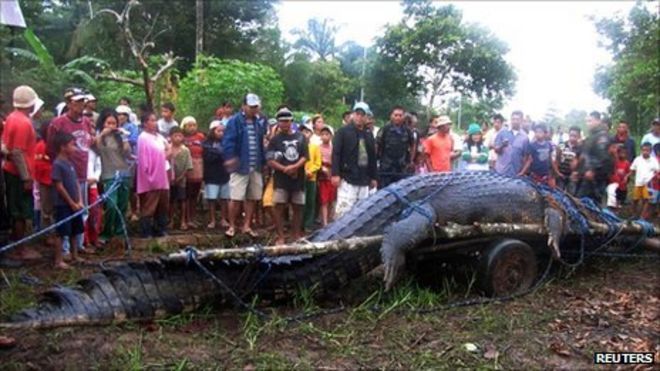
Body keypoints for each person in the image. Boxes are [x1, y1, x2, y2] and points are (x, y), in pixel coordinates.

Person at [47, 87, 94, 255]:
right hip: (63, 171)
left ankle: (79, 246)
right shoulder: (58, 123)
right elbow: (51, 147)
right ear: (69, 103)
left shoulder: (86, 122)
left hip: (81, 170)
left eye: (83, 101)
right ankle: (65, 250)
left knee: (82, 210)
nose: (81, 105)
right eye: (77, 102)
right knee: (65, 211)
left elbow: (90, 142)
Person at [222, 93, 267, 238]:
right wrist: (230, 158)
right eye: (251, 107)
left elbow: (261, 144)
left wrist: (264, 163)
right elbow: (228, 142)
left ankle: (246, 225)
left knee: (252, 197)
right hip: (240, 166)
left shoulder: (258, 123)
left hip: (255, 165)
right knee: (236, 197)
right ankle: (232, 226)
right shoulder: (234, 121)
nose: (254, 109)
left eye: (256, 107)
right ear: (244, 106)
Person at [2, 86, 38, 242]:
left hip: (11, 170)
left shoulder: (11, 117)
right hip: (18, 173)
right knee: (20, 211)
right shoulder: (23, 122)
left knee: (16, 208)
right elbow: (17, 152)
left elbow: (6, 145)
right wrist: (26, 177)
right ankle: (20, 247)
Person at [266, 108, 308, 244]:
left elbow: (305, 156)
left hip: (298, 178)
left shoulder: (301, 137)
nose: (284, 124)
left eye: (287, 121)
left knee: (298, 206)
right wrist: (285, 169)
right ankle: (281, 236)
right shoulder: (275, 140)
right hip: (281, 179)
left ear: (291, 121)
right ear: (278, 122)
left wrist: (294, 167)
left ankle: (296, 235)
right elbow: (270, 159)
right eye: (282, 121)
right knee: (279, 206)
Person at [332, 102, 378, 218]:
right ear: (353, 114)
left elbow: (372, 157)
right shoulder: (343, 132)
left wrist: (373, 177)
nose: (359, 117)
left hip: (364, 178)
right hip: (347, 177)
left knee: (361, 213)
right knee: (344, 212)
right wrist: (335, 174)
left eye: (362, 115)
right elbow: (336, 153)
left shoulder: (368, 135)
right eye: (357, 114)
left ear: (367, 117)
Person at [95, 109, 132, 243]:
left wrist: (124, 137)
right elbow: (96, 148)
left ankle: (119, 233)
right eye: (108, 123)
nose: (111, 126)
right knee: (111, 204)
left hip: (123, 172)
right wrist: (102, 135)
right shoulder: (99, 136)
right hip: (108, 174)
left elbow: (127, 153)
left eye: (114, 123)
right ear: (103, 123)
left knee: (122, 205)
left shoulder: (119, 136)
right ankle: (107, 232)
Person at [51, 132, 85, 269]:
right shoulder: (57, 164)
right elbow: (59, 186)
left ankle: (74, 255)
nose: (75, 148)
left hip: (75, 204)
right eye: (72, 145)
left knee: (75, 230)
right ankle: (58, 260)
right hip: (63, 204)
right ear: (62, 147)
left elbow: (76, 182)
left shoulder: (70, 163)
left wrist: (80, 200)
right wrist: (71, 202)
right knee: (61, 232)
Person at [137, 112, 171, 237]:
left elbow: (168, 149)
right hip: (151, 175)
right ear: (145, 123)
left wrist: (163, 157)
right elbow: (142, 158)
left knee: (163, 203)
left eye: (155, 120)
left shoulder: (159, 136)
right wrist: (148, 175)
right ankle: (146, 230)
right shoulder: (143, 137)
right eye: (152, 120)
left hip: (162, 174)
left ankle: (160, 228)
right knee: (150, 203)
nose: (155, 123)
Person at [576, 111, 613, 204]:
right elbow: (586, 154)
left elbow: (603, 156)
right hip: (586, 175)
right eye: (587, 121)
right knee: (582, 201)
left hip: (596, 177)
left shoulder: (601, 136)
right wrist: (579, 169)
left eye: (590, 121)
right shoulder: (592, 136)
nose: (588, 124)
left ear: (598, 121)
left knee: (592, 202)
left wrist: (593, 170)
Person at [377, 106, 414, 188]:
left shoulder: (407, 130)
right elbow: (377, 145)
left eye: (400, 115)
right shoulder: (385, 129)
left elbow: (413, 145)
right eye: (395, 115)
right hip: (386, 167)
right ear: (391, 116)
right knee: (384, 192)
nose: (398, 117)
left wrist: (411, 160)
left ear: (403, 116)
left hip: (401, 167)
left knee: (401, 191)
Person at [202, 120, 230, 229]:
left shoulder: (227, 142)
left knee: (224, 198)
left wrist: (219, 153)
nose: (221, 133)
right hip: (211, 174)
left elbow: (228, 155)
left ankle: (223, 219)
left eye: (223, 131)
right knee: (211, 199)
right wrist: (219, 154)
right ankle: (212, 220)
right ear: (213, 131)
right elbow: (208, 157)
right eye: (218, 131)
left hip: (224, 174)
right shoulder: (206, 143)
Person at [181, 116, 205, 228]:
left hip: (198, 168)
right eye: (189, 125)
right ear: (184, 126)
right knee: (186, 195)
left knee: (195, 195)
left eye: (194, 125)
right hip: (186, 169)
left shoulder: (200, 137)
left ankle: (193, 218)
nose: (192, 128)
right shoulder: (181, 138)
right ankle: (185, 219)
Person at [169, 127, 193, 230]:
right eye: (175, 136)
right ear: (171, 137)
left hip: (182, 180)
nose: (178, 138)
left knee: (182, 200)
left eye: (180, 136)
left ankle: (183, 220)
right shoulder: (168, 148)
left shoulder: (185, 150)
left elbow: (189, 166)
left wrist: (181, 177)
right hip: (169, 180)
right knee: (171, 201)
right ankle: (171, 220)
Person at [494, 110, 529, 177]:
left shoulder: (525, 137)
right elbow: (496, 150)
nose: (515, 121)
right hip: (500, 172)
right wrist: (502, 145)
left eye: (517, 119)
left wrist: (522, 172)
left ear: (521, 120)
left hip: (515, 173)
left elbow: (525, 157)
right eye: (513, 119)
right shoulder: (502, 132)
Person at [628, 142, 659, 219]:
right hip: (638, 183)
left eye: (647, 150)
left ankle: (642, 216)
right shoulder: (637, 159)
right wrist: (628, 176)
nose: (645, 152)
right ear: (641, 150)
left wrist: (655, 178)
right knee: (635, 199)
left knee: (646, 200)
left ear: (650, 151)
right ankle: (633, 214)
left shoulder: (653, 160)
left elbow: (657, 170)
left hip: (648, 184)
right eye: (644, 150)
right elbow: (632, 169)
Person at [300, 121, 321, 231]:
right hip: (300, 176)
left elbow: (318, 163)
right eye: (303, 131)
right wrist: (303, 171)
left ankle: (308, 224)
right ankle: (299, 223)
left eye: (307, 132)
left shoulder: (315, 147)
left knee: (310, 201)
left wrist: (310, 171)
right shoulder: (298, 146)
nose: (305, 134)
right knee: (300, 201)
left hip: (311, 177)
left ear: (311, 134)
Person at [318, 125, 336, 226]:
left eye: (327, 134)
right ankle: (324, 222)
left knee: (331, 200)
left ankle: (329, 220)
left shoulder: (334, 148)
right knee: (324, 200)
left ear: (331, 136)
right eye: (323, 134)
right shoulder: (318, 148)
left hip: (332, 176)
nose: (325, 136)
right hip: (322, 177)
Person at [556, 126, 582, 194]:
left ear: (579, 136)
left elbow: (582, 162)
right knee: (559, 195)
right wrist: (557, 173)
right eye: (571, 135)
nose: (572, 138)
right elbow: (556, 160)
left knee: (571, 197)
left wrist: (577, 173)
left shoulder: (581, 148)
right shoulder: (561, 146)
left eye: (575, 136)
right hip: (561, 175)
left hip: (573, 177)